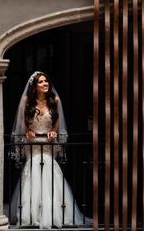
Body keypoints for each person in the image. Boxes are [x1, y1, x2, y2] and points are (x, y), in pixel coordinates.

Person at [8, 71, 88, 228]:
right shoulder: (27, 101)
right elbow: (21, 122)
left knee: (51, 172)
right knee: (33, 171)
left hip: (48, 143)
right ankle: (30, 214)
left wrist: (53, 132)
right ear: (34, 86)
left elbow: (56, 122)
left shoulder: (54, 100)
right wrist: (27, 132)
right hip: (33, 144)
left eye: (46, 81)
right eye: (41, 82)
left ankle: (54, 213)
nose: (45, 84)